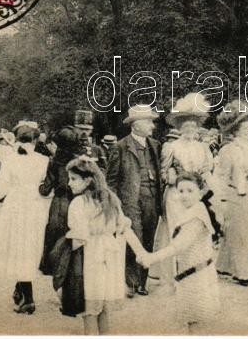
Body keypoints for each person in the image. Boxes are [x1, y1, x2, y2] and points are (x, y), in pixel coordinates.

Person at [63, 157, 146, 334]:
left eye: (73, 179)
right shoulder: (110, 199)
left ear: (87, 180)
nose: (69, 183)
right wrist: (141, 253)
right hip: (110, 255)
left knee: (89, 309)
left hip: (90, 257)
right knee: (103, 309)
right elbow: (124, 226)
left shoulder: (78, 203)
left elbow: (79, 236)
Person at [139, 172, 222, 332]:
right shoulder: (192, 210)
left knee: (197, 322)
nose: (185, 195)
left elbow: (178, 246)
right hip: (189, 276)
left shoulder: (196, 217)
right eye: (181, 191)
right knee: (192, 321)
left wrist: (151, 258)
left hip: (198, 277)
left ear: (200, 192)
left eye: (190, 191)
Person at [0, 121, 51, 314]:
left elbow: (3, 188)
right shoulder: (43, 160)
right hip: (36, 205)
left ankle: (28, 298)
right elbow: (46, 187)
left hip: (16, 205)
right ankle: (20, 290)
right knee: (29, 248)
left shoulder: (10, 160)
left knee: (18, 248)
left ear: (17, 139)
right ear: (36, 140)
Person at [152, 93, 213, 291]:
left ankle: (190, 275)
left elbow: (207, 170)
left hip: (194, 196)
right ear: (180, 128)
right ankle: (171, 278)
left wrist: (206, 188)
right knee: (175, 232)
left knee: (192, 233)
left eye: (193, 127)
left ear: (197, 129)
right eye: (186, 127)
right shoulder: (172, 147)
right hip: (175, 196)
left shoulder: (203, 148)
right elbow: (163, 171)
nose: (190, 130)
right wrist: (169, 175)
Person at [106, 104, 163, 298]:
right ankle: (131, 282)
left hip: (152, 200)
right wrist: (116, 207)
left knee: (148, 239)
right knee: (134, 239)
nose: (152, 126)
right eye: (148, 122)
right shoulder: (120, 147)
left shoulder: (155, 145)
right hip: (130, 201)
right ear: (136, 124)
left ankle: (142, 282)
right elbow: (111, 181)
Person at [214, 101, 248, 286]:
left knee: (245, 230)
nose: (247, 131)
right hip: (235, 192)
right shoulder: (227, 150)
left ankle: (224, 265)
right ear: (234, 131)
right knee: (241, 232)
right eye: (243, 129)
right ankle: (244, 273)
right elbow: (222, 175)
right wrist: (223, 198)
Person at [39, 126, 82, 275]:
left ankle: (51, 265)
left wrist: (39, 185)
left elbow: (45, 189)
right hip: (77, 200)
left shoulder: (54, 162)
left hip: (60, 201)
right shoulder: (80, 161)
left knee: (54, 232)